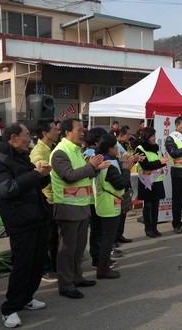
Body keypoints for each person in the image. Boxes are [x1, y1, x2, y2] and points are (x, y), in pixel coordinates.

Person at [0, 123, 52, 327]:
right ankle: (10, 308)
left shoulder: (21, 156)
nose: (29, 138)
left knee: (37, 263)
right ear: (13, 137)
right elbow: (6, 189)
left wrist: (43, 175)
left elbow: (32, 183)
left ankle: (27, 298)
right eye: (26, 135)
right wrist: (35, 175)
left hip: (38, 216)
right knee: (23, 265)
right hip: (20, 221)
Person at [50, 118, 110, 299]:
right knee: (67, 250)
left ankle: (77, 277)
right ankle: (66, 285)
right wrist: (91, 167)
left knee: (78, 248)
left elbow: (85, 173)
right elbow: (69, 176)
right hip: (68, 208)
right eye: (79, 130)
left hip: (82, 206)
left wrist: (95, 168)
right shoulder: (60, 152)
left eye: (83, 130)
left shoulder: (77, 151)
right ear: (67, 132)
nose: (83, 133)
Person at [94, 134, 134, 279]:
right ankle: (103, 269)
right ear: (109, 148)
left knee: (106, 237)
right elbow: (121, 183)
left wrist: (123, 163)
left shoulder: (107, 160)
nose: (118, 149)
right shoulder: (109, 165)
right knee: (108, 238)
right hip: (109, 204)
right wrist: (127, 169)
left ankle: (103, 266)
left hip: (108, 203)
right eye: (116, 147)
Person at [29, 119, 60, 283]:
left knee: (54, 236)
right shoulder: (39, 153)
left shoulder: (50, 149)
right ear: (44, 133)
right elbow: (41, 178)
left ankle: (54, 265)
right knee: (48, 237)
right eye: (54, 129)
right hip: (47, 199)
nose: (57, 131)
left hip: (55, 198)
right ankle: (45, 269)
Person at [82, 127, 117, 269]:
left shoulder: (86, 153)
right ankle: (98, 258)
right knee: (99, 230)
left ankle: (100, 256)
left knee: (98, 229)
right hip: (96, 197)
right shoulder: (94, 155)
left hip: (91, 196)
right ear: (97, 142)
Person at [136, 127, 169, 237]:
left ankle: (154, 226)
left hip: (158, 180)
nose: (154, 138)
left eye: (154, 135)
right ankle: (148, 228)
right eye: (151, 136)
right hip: (147, 181)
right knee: (148, 205)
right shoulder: (140, 149)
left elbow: (163, 161)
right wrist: (159, 162)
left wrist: (162, 161)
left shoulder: (157, 148)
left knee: (156, 205)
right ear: (146, 137)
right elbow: (145, 165)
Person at [114, 125, 133, 243]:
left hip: (125, 179)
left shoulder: (123, 146)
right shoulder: (114, 146)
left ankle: (119, 234)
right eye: (128, 134)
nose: (129, 136)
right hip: (118, 181)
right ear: (121, 136)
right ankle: (115, 236)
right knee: (118, 212)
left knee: (124, 210)